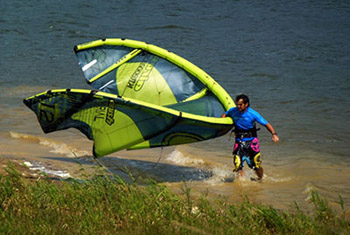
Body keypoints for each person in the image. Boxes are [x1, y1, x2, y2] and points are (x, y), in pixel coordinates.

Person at [222, 94, 279, 180]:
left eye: (240, 104)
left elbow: (266, 124)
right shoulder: (233, 111)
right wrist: (221, 125)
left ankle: (261, 179)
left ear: (246, 104)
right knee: (237, 164)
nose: (238, 106)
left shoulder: (253, 114)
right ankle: (243, 184)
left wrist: (274, 134)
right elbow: (225, 114)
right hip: (239, 141)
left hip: (252, 142)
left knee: (256, 165)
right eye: (237, 104)